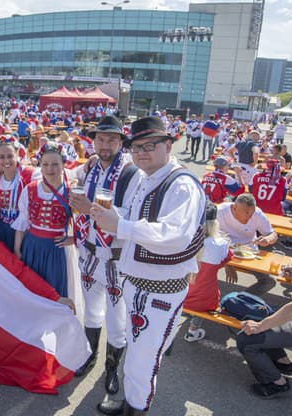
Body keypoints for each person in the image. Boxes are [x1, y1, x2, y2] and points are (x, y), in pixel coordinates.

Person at [90, 116, 206, 415]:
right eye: (136, 146)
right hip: (139, 285)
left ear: (168, 145)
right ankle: (130, 404)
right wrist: (106, 213)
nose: (141, 152)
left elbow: (175, 236)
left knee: (143, 362)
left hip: (159, 292)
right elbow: (134, 215)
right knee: (136, 355)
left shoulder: (181, 185)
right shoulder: (150, 177)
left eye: (149, 145)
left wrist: (122, 225)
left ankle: (135, 409)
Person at [67, 115, 130, 385]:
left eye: (111, 140)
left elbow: (129, 218)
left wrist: (89, 208)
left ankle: (112, 367)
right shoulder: (89, 168)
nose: (105, 145)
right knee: (92, 310)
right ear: (93, 141)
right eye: (101, 139)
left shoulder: (130, 173)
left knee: (117, 318)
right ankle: (90, 355)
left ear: (120, 143)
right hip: (89, 253)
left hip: (115, 258)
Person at [12, 141, 78, 302]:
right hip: (32, 246)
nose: (50, 169)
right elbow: (22, 223)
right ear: (40, 165)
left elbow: (84, 224)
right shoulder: (31, 189)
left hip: (57, 249)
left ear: (64, 164)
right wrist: (17, 250)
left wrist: (72, 239)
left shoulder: (72, 191)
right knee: (33, 292)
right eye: (45, 164)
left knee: (57, 291)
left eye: (55, 164)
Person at [236, 265, 292, 398]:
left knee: (247, 339)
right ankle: (282, 362)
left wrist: (259, 326)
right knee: (265, 315)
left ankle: (276, 383)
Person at [183, 201, 233, 342]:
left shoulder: (182, 239)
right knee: (208, 292)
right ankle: (192, 330)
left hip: (178, 293)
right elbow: (226, 259)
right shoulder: (221, 244)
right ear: (214, 222)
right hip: (202, 300)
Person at [0, 135, 38, 251]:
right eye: (1, 157)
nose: (6, 161)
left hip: (23, 231)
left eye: (10, 156)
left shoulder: (29, 174)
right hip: (1, 229)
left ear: (17, 155)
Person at [217, 193, 278, 283]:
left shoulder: (257, 214)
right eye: (247, 213)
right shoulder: (221, 211)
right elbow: (210, 236)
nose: (250, 217)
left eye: (252, 213)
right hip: (223, 251)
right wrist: (228, 263)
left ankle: (241, 297)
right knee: (201, 267)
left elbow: (273, 234)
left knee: (268, 281)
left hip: (249, 252)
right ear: (234, 208)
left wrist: (268, 239)